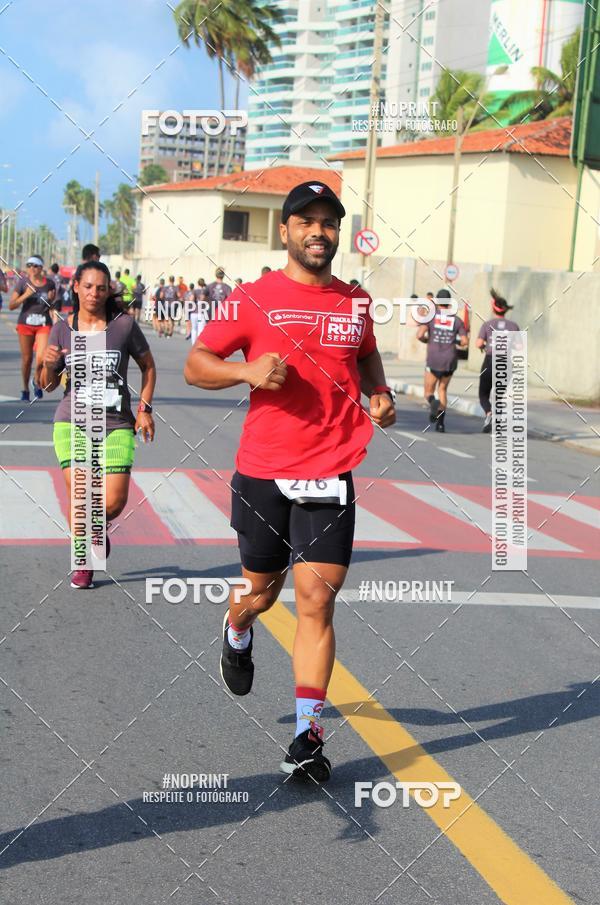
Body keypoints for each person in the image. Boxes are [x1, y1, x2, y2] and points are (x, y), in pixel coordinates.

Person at [184, 180, 395, 783]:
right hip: (264, 472)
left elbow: (367, 355)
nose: (318, 232)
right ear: (285, 231)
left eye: (329, 222)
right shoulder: (250, 298)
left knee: (318, 602)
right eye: (306, 221)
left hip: (331, 468)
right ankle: (237, 625)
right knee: (263, 592)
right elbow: (197, 366)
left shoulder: (355, 301)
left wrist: (378, 394)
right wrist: (245, 369)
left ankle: (307, 736)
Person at [41, 261, 156, 590]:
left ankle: (95, 529)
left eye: (101, 288)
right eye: (88, 286)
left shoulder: (123, 326)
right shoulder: (64, 327)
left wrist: (144, 408)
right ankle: (84, 563)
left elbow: (148, 367)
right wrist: (50, 366)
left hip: (116, 423)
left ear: (109, 291)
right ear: (76, 286)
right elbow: (48, 386)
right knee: (81, 497)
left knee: (113, 503)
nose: (94, 293)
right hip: (71, 421)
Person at [417, 288, 468, 433]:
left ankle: (433, 403)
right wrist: (454, 341)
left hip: (434, 359)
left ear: (437, 301)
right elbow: (465, 341)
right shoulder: (456, 320)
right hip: (450, 360)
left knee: (428, 393)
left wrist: (428, 339)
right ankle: (441, 424)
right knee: (443, 390)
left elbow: (419, 335)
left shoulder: (431, 317)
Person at [9, 255, 56, 401]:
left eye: (35, 265)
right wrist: (26, 295)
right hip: (25, 324)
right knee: (27, 359)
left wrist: (51, 301)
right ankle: (25, 389)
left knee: (41, 358)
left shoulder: (49, 284)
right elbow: (12, 305)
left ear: (41, 268)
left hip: (43, 324)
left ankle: (36, 381)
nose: (31, 268)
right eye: (29, 265)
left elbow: (52, 307)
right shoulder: (23, 283)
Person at [476, 289, 520, 433]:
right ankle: (499, 426)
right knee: (500, 395)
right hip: (505, 361)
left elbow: (478, 343)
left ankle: (488, 413)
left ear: (493, 308)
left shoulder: (487, 324)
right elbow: (519, 346)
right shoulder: (514, 326)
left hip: (489, 360)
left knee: (483, 393)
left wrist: (484, 345)